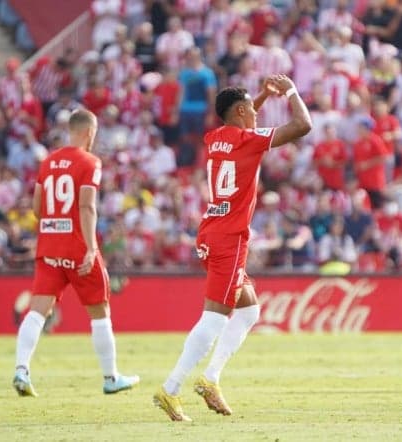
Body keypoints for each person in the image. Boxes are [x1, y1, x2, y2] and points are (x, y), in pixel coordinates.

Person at [153, 74, 312, 421]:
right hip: (229, 238)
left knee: (249, 309)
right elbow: (303, 125)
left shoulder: (216, 138)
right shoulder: (248, 140)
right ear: (240, 112)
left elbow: (238, 116)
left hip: (211, 230)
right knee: (213, 318)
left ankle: (210, 379)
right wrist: (290, 91)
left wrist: (261, 98)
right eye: (251, 111)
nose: (256, 116)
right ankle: (171, 388)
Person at [13, 109, 139, 397]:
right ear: (90, 132)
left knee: (36, 312)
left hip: (49, 248)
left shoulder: (47, 161)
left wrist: (54, 222)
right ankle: (110, 377)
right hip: (78, 247)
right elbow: (86, 206)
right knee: (99, 312)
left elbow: (36, 208)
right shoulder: (90, 162)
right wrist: (91, 247)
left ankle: (21, 370)